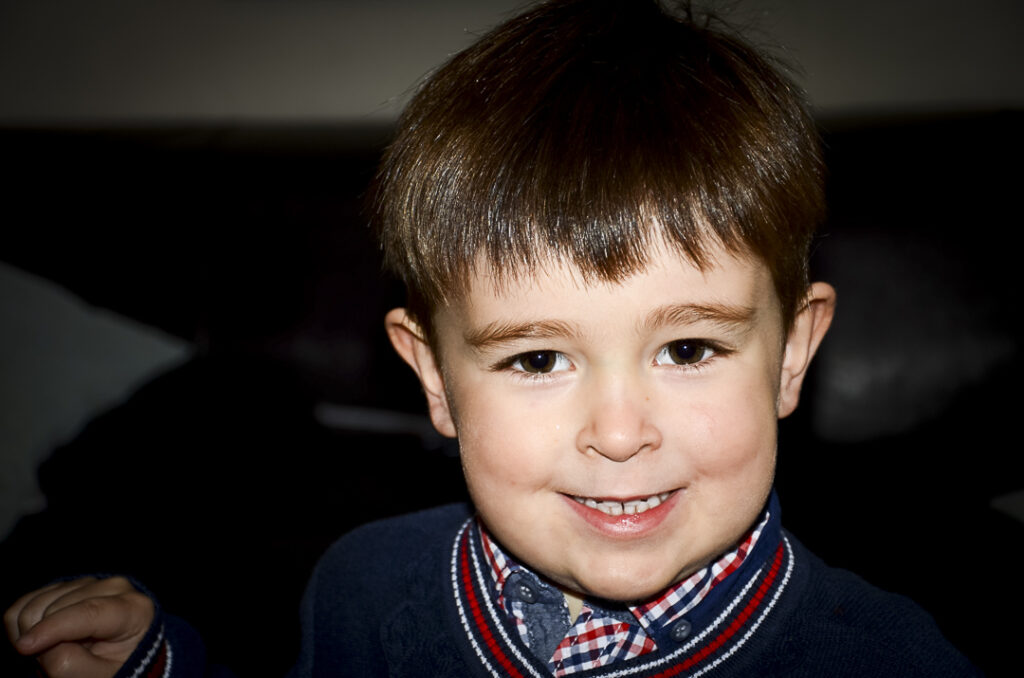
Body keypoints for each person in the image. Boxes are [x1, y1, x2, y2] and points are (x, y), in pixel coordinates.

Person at [5, 1, 981, 676]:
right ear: (433, 378)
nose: (617, 430)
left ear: (794, 353)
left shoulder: (894, 658)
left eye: (687, 349)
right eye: (537, 358)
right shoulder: (364, 593)